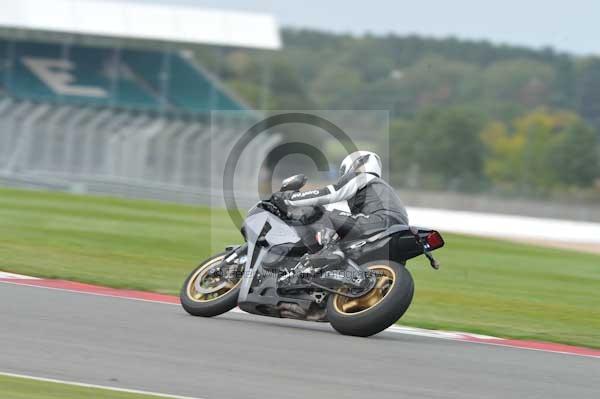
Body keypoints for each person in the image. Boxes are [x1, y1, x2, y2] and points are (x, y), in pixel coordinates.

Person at [272, 151, 409, 246]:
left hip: (379, 222)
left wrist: (289, 198)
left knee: (317, 212)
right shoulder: (381, 187)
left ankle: (325, 255)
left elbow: (330, 193)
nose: (344, 174)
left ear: (357, 163)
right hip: (396, 230)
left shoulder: (363, 176)